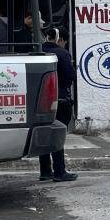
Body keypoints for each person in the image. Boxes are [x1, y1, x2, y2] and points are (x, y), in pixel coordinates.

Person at [39, 27, 78, 182]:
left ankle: (45, 171)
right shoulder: (62, 54)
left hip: (39, 101)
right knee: (58, 135)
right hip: (60, 99)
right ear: (60, 39)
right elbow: (70, 77)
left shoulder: (38, 50)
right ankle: (60, 171)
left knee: (43, 134)